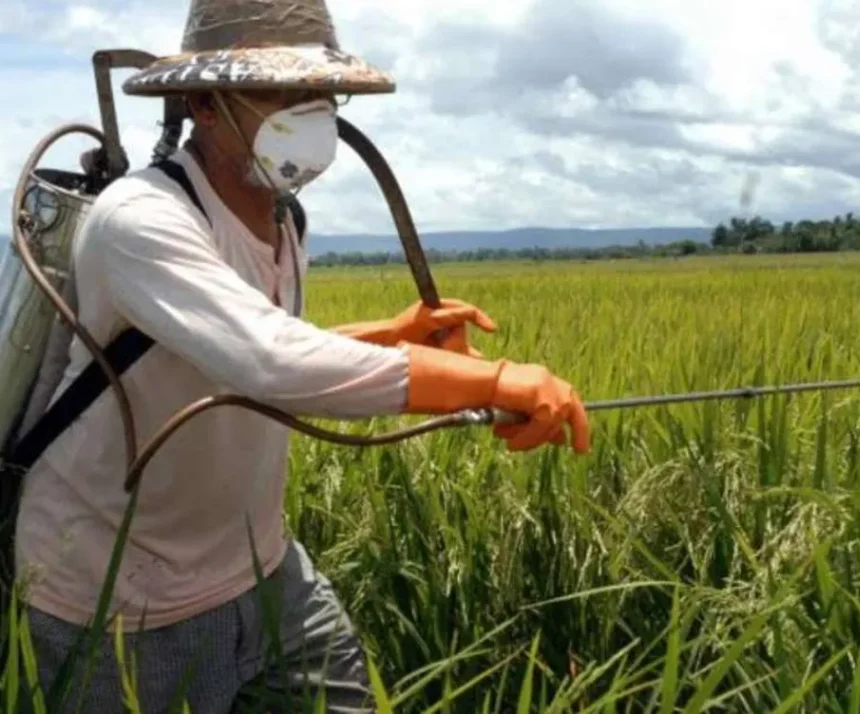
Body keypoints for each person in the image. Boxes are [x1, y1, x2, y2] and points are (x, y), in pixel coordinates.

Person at [11, 0, 589, 711]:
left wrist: (391, 335)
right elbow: (271, 360)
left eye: (319, 93)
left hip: (263, 568)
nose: (310, 112)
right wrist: (493, 380)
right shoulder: (140, 220)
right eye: (280, 93)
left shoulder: (283, 216)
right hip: (121, 596)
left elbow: (244, 349)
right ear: (203, 103)